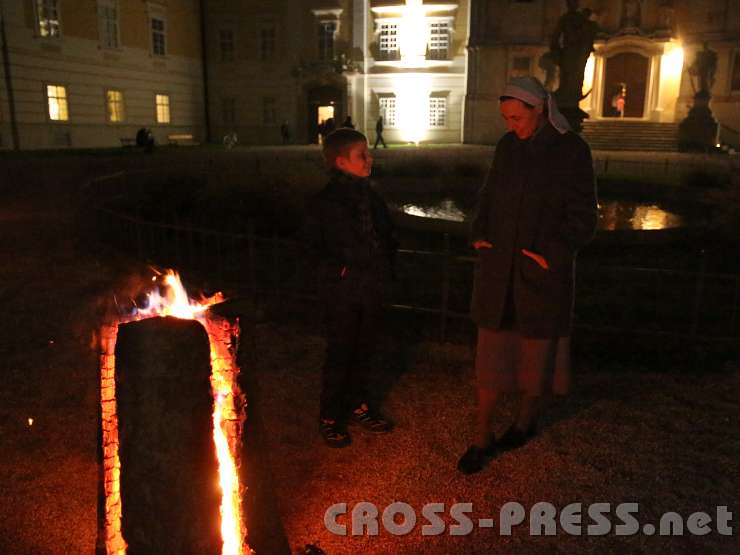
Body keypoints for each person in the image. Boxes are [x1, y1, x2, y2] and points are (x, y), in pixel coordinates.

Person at [458, 76, 597, 474]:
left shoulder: (571, 151)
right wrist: (480, 233)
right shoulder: (507, 147)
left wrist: (552, 254)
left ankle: (524, 421)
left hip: (540, 273)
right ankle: (481, 433)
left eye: (517, 117)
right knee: (491, 358)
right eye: (506, 118)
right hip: (500, 270)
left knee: (536, 355)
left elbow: (584, 215)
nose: (511, 125)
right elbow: (488, 196)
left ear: (540, 111)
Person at [304, 128, 398, 447]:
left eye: (368, 153)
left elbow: (386, 236)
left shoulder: (369, 196)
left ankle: (359, 404)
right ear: (341, 162)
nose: (369, 159)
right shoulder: (326, 203)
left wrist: (385, 267)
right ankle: (330, 415)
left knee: (365, 349)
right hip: (343, 293)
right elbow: (313, 249)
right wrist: (339, 273)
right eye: (362, 155)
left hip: (371, 287)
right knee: (340, 352)